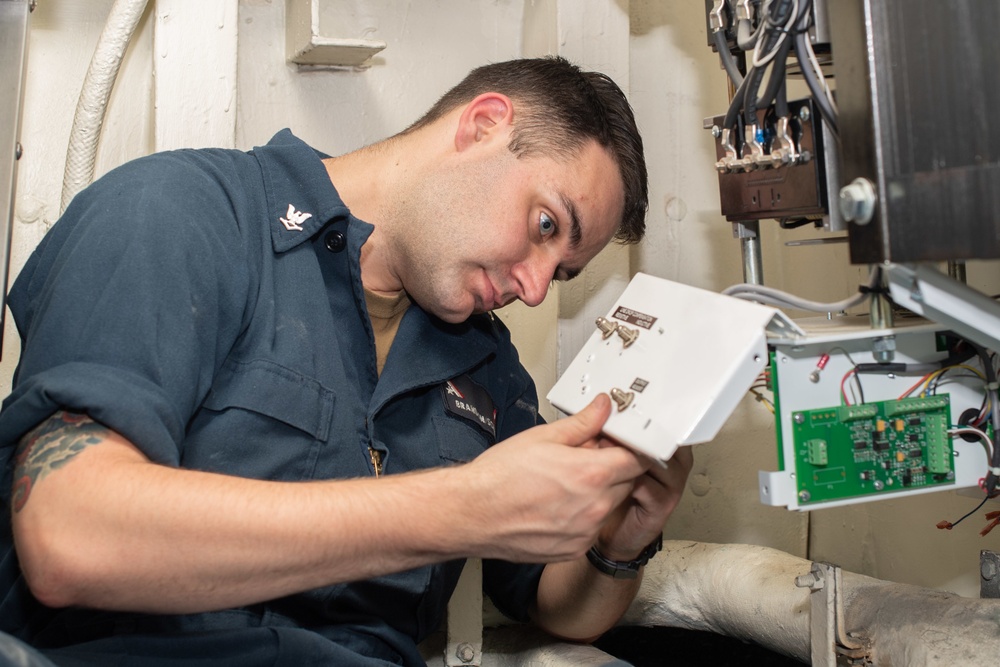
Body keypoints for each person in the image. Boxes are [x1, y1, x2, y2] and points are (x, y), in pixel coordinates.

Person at [0, 56, 692, 666]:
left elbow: (552, 600)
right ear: (482, 124)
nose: (536, 288)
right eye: (546, 225)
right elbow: (69, 535)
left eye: (562, 271)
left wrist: (618, 541)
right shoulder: (183, 212)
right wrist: (460, 508)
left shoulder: (487, 364)